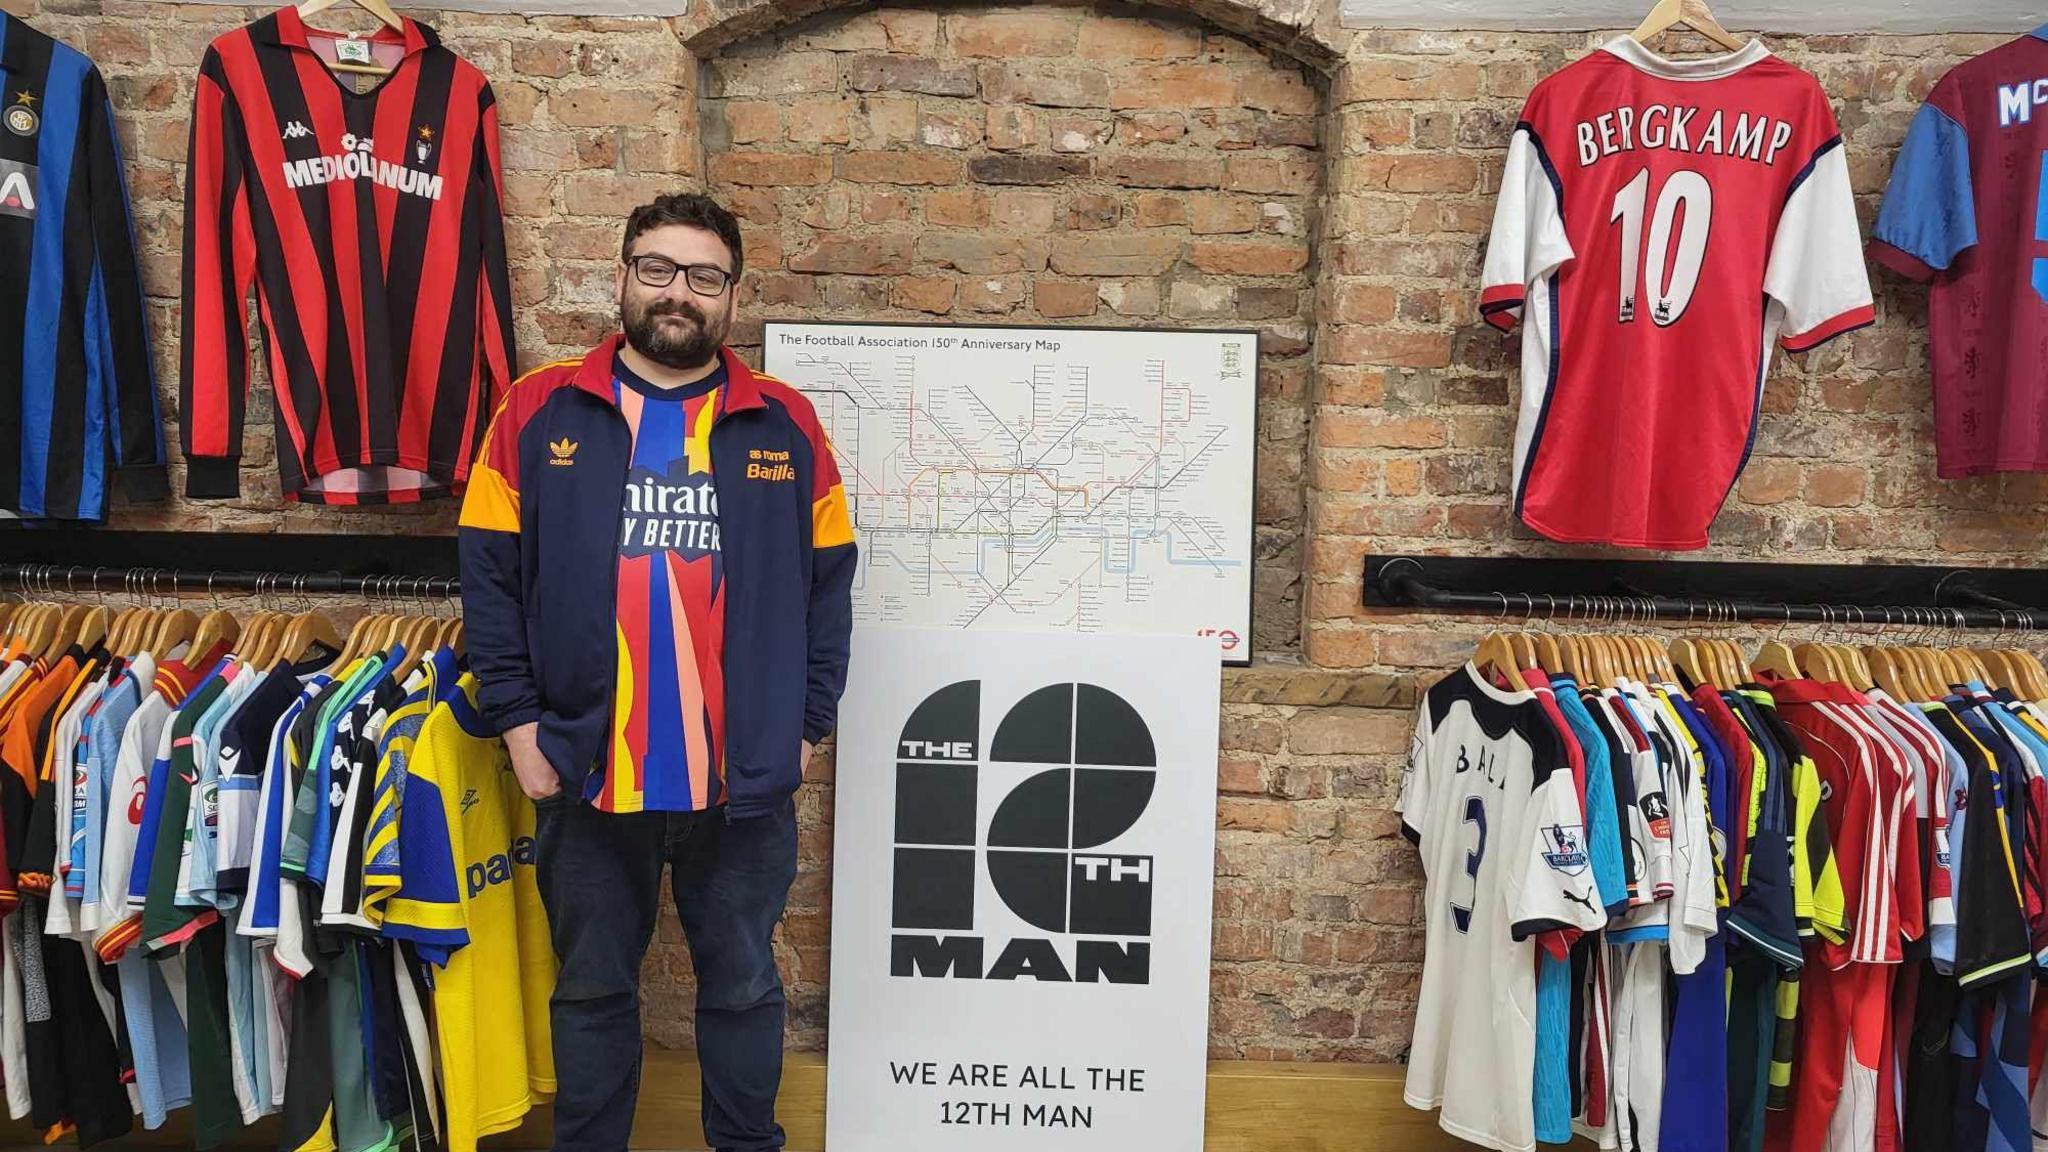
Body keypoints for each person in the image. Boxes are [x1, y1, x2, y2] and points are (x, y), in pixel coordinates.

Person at [458, 192, 857, 1152]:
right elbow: (488, 579)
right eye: (659, 269)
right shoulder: (538, 409)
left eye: (705, 277)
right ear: (626, 275)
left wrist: (803, 730)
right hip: (586, 770)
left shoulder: (785, 423)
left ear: (732, 295)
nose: (680, 293)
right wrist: (519, 729)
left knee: (744, 987)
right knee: (592, 989)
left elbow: (831, 588)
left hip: (742, 784)